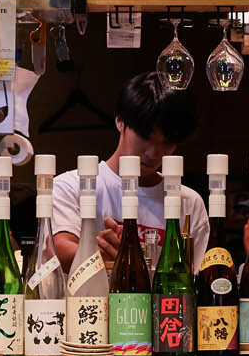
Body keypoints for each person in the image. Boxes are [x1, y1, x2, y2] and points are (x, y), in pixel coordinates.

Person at [50, 73, 209, 274]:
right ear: (120, 122)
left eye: (167, 143)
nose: (153, 153)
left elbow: (190, 280)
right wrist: (113, 256)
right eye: (145, 136)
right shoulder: (74, 185)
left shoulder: (188, 202)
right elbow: (58, 250)